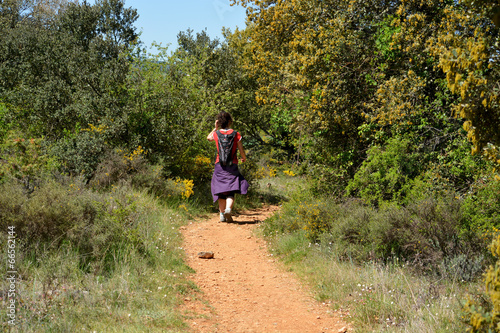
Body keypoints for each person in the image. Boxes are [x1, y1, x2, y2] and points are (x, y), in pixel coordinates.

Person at [207, 111, 249, 222]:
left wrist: (215, 128)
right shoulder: (236, 134)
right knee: (231, 190)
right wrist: (243, 157)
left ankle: (221, 215)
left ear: (219, 122)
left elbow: (208, 138)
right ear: (230, 121)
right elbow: (240, 148)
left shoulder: (216, 134)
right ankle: (228, 209)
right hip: (232, 164)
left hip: (219, 165)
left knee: (221, 190)